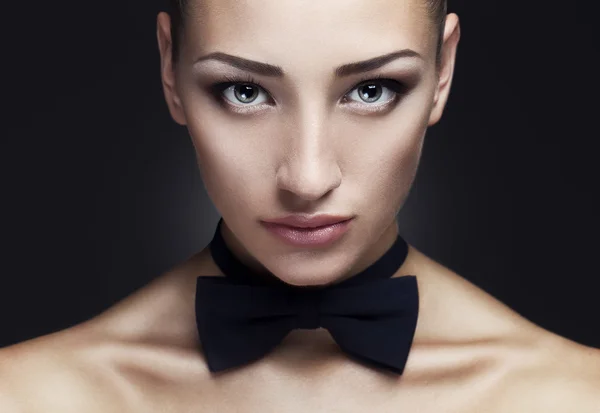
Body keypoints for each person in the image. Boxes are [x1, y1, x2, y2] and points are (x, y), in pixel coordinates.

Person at [1, 0, 599, 411]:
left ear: (442, 72)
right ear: (169, 68)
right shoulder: (22, 396)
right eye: (245, 91)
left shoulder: (578, 395)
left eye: (371, 90)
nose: (308, 179)